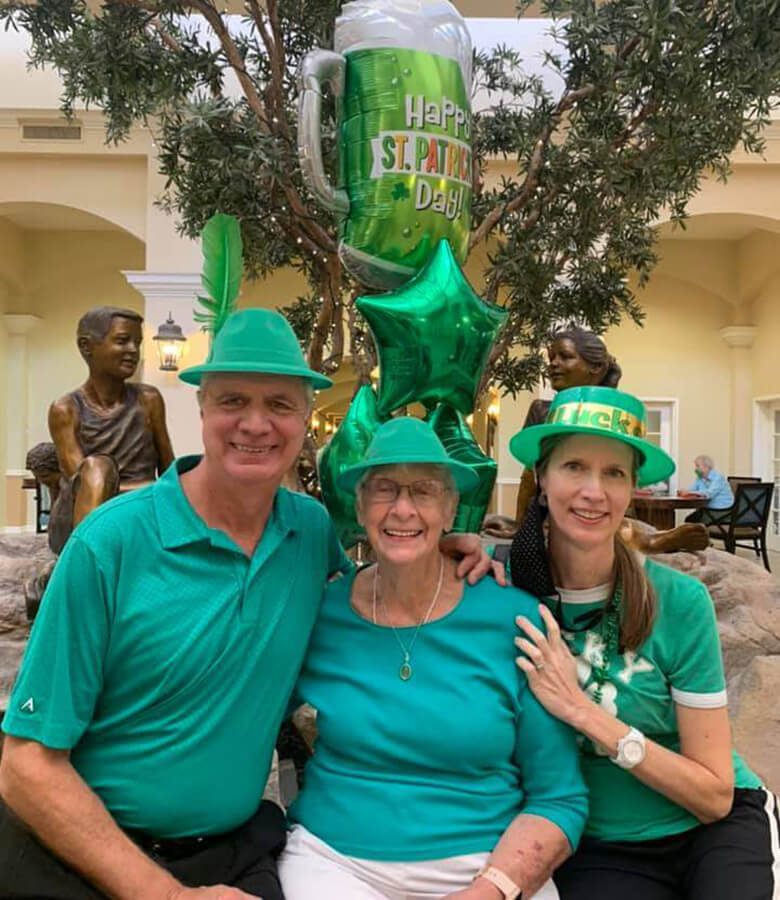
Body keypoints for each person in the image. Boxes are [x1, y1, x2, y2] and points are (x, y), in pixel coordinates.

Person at [0, 308, 494, 900]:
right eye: (234, 400)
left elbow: (374, 601)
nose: (256, 424)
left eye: (280, 405)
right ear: (202, 407)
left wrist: (441, 551)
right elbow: (26, 766)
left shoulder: (308, 534)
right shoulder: (112, 543)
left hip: (229, 852)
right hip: (79, 852)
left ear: (306, 418)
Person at [278, 416, 588, 900]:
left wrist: (490, 890)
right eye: (383, 489)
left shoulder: (515, 620)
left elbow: (560, 796)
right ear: (360, 507)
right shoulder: (320, 614)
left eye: (424, 491)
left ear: (450, 510)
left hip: (489, 864)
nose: (402, 509)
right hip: (336, 863)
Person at [507, 385, 778, 900]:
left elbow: (715, 795)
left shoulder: (679, 602)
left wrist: (585, 714)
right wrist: (452, 551)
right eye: (574, 467)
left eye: (614, 473)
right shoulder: (507, 589)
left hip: (712, 827)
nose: (594, 490)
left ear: (632, 487)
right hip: (604, 846)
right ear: (541, 478)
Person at [47, 306, 175, 554]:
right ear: (86, 347)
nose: (133, 351)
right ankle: (83, 563)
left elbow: (169, 469)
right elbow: (83, 484)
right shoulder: (66, 409)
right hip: (82, 519)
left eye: (137, 343)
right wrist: (150, 489)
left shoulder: (148, 399)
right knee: (97, 468)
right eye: (122, 341)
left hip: (139, 511)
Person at [683, 455, 734, 524]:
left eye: (697, 466)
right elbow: (691, 490)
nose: (695, 469)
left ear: (707, 467)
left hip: (722, 512)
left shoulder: (718, 478)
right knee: (689, 520)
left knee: (692, 521)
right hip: (707, 510)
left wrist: (692, 493)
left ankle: (701, 534)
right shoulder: (700, 478)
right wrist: (685, 492)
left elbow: (709, 494)